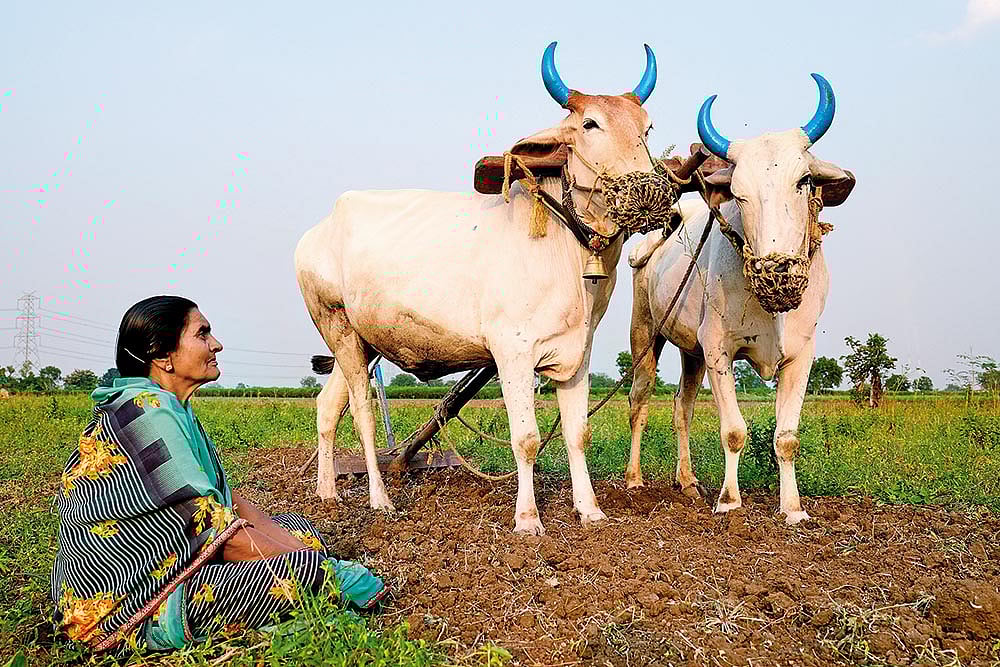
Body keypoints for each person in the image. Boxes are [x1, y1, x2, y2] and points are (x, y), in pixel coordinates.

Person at [50, 295, 387, 654]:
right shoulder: (147, 412)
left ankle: (286, 606)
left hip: (173, 567)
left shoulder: (170, 407)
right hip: (126, 608)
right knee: (304, 567)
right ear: (163, 356)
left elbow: (227, 502)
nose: (217, 344)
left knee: (302, 531)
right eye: (202, 334)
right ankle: (182, 629)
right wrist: (323, 572)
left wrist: (309, 555)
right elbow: (216, 531)